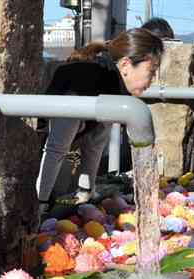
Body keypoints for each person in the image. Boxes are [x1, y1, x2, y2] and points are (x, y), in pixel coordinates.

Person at [36, 29, 163, 217]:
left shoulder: (111, 85)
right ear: (126, 65)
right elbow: (55, 148)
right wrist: (40, 205)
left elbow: (95, 145)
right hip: (30, 146)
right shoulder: (84, 79)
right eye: (151, 72)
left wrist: (86, 194)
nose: (152, 81)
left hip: (53, 150)